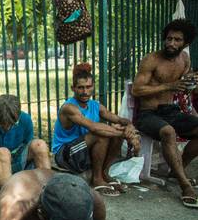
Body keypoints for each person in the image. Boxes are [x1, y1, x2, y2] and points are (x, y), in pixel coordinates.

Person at [132, 18, 198, 207]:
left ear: (186, 43)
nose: (171, 43)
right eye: (169, 38)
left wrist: (191, 83)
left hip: (171, 111)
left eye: (177, 40)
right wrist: (169, 85)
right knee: (168, 131)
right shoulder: (151, 59)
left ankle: (177, 171)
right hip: (148, 114)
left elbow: (186, 87)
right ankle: (185, 185)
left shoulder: (184, 59)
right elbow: (137, 90)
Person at [53, 63, 140, 196]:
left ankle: (104, 173)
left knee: (113, 133)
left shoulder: (95, 105)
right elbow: (93, 127)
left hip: (83, 150)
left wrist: (129, 127)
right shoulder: (69, 108)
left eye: (88, 87)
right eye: (80, 88)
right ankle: (97, 179)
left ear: (93, 86)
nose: (85, 92)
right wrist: (126, 135)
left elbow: (119, 119)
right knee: (101, 134)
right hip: (65, 155)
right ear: (73, 88)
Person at [0, 94, 51, 196]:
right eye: (1, 125)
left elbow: (30, 151)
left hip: (13, 161)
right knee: (3, 152)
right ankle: (10, 197)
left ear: (18, 116)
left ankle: (49, 192)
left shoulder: (25, 120)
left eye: (12, 124)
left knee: (40, 145)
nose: (6, 129)